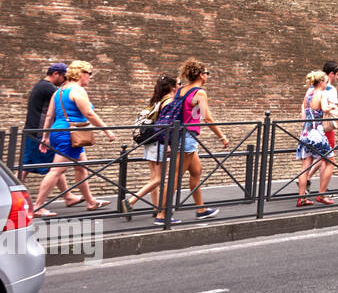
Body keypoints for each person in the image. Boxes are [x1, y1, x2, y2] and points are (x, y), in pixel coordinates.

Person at [33, 60, 115, 216]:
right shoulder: (77, 90)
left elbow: (50, 115)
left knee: (81, 167)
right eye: (89, 74)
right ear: (81, 74)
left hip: (59, 132)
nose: (90, 78)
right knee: (56, 171)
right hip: (70, 135)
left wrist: (45, 137)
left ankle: (90, 201)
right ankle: (38, 206)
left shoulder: (59, 91)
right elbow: (89, 114)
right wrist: (107, 131)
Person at [159, 59, 229, 222]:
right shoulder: (199, 92)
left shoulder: (181, 90)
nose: (207, 76)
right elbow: (207, 117)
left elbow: (190, 112)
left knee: (196, 171)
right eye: (206, 73)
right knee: (175, 176)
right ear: (200, 75)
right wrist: (222, 136)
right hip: (187, 137)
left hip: (181, 135)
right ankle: (162, 214)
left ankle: (201, 209)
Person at [126, 74, 178, 212]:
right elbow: (164, 125)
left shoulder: (157, 100)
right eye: (178, 84)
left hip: (151, 142)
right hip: (160, 142)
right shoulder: (169, 101)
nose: (180, 87)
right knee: (159, 179)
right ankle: (131, 201)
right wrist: (168, 143)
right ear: (172, 87)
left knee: (153, 178)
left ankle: (157, 207)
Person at [19, 62, 66, 183]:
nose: (64, 81)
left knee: (28, 165)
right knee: (54, 166)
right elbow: (65, 98)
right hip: (39, 133)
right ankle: (13, 193)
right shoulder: (48, 88)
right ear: (56, 74)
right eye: (64, 77)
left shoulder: (41, 85)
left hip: (33, 130)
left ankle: (68, 196)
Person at [295, 70, 335, 205]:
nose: (327, 84)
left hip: (305, 132)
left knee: (305, 166)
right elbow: (324, 109)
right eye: (326, 81)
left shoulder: (308, 95)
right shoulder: (322, 93)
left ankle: (301, 198)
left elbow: (304, 113)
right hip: (316, 133)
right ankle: (322, 195)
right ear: (321, 82)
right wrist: (332, 107)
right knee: (330, 161)